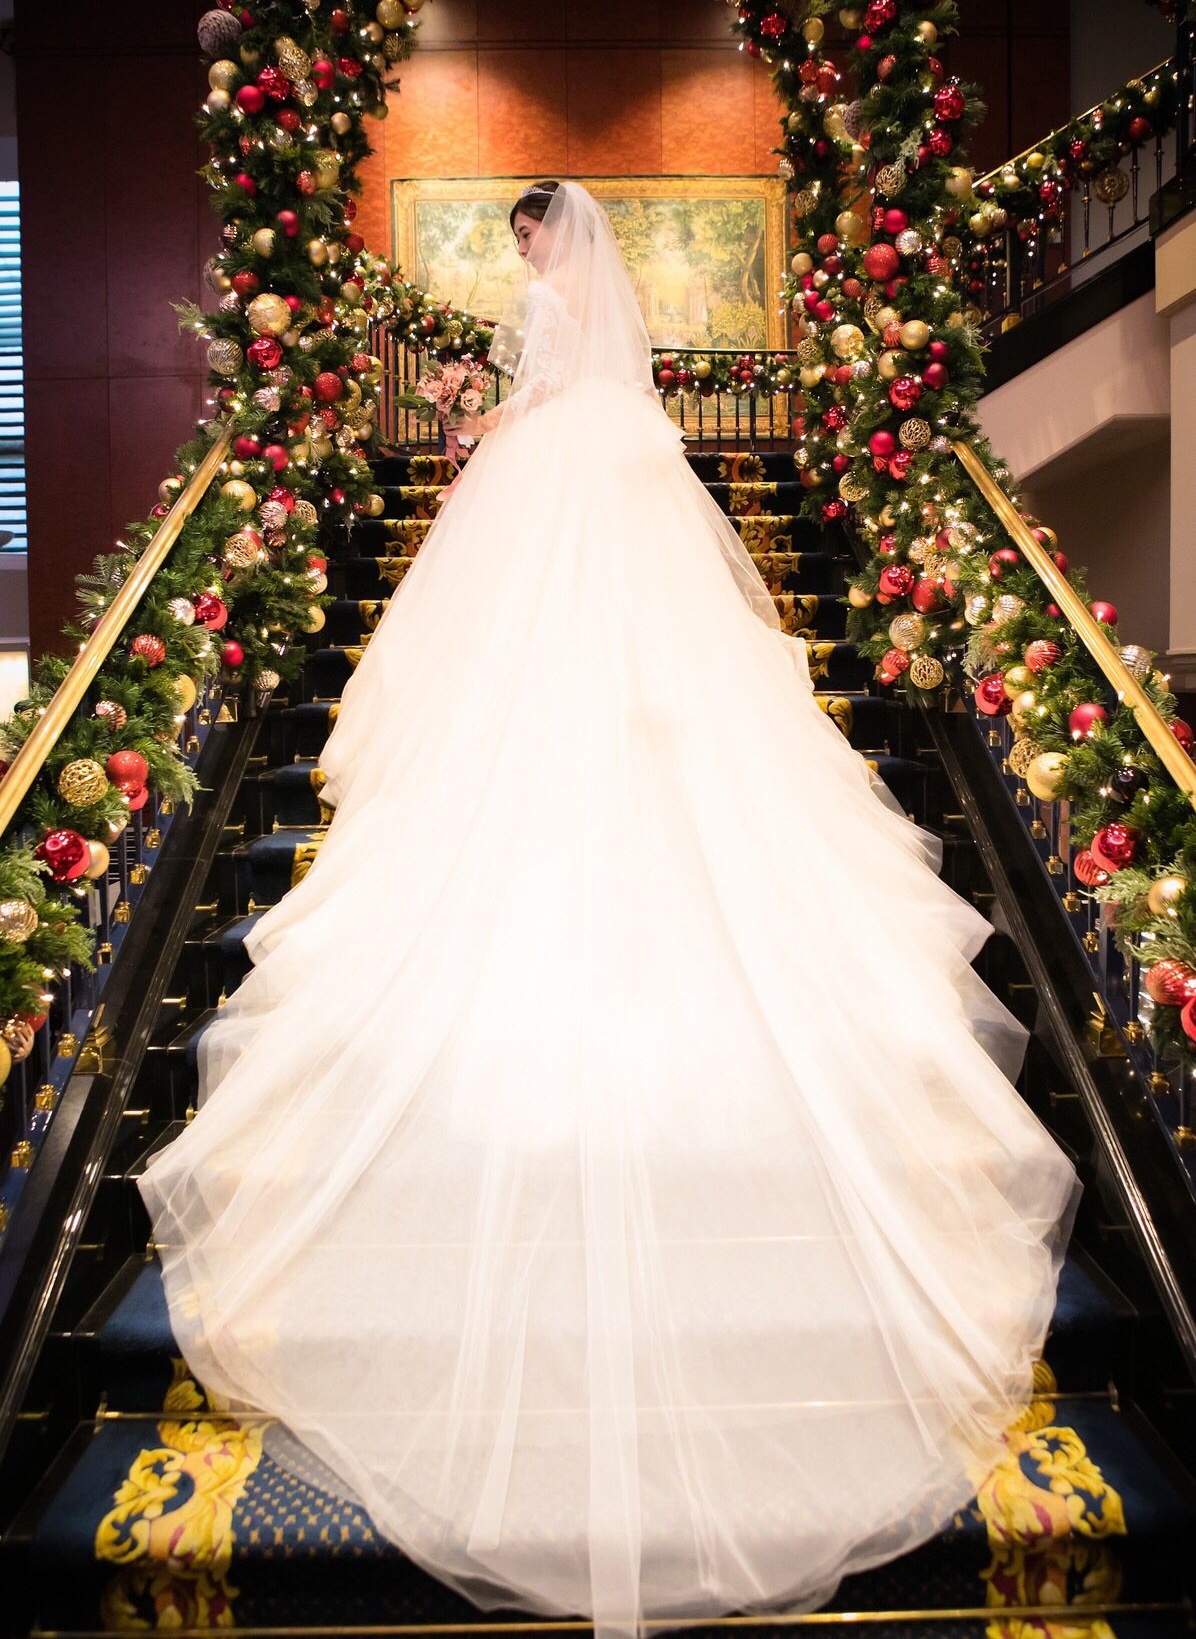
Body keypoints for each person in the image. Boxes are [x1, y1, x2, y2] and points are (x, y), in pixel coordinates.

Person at [139, 178, 1080, 1639]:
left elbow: (532, 400)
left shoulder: (545, 325)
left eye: (527, 237)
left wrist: (484, 423)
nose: (526, 256)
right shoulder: (636, 408)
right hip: (618, 544)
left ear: (545, 239)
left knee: (522, 692)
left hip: (551, 513)